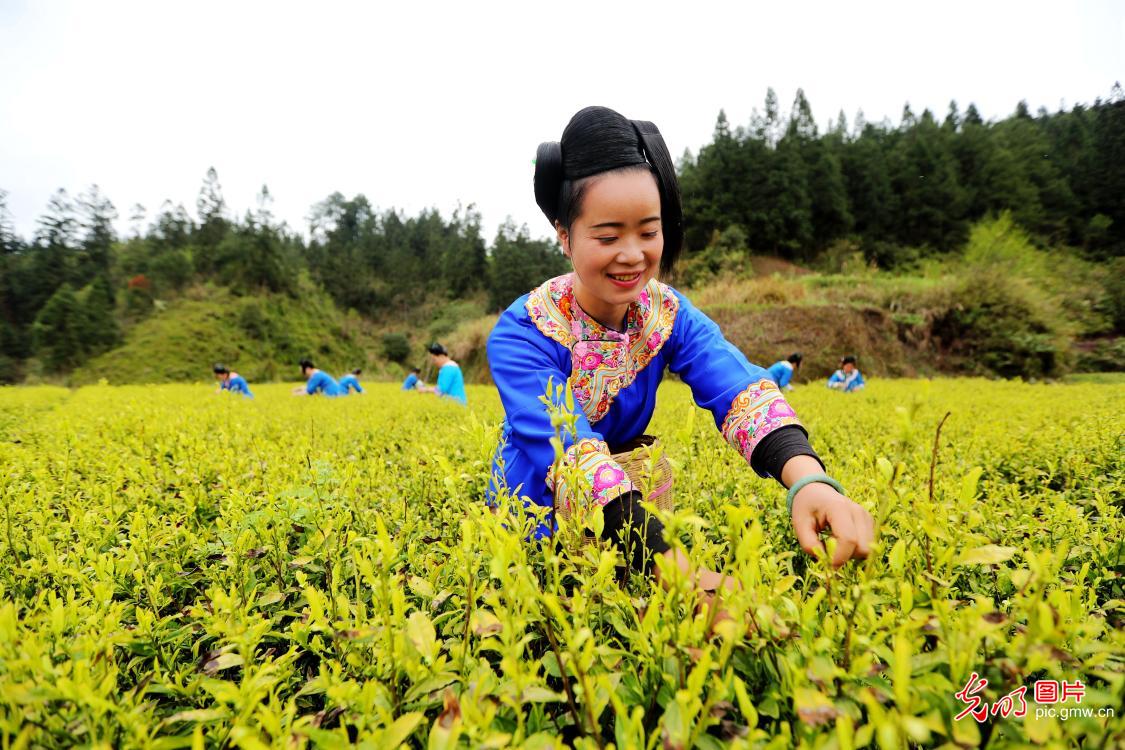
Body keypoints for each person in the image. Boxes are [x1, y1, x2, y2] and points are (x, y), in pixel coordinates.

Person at [486, 106, 873, 594]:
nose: (633, 255)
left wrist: (808, 480)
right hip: (536, 514)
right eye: (607, 236)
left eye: (649, 232)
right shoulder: (524, 333)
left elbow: (738, 389)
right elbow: (568, 454)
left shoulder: (668, 314)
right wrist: (680, 572)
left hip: (634, 516)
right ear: (564, 235)